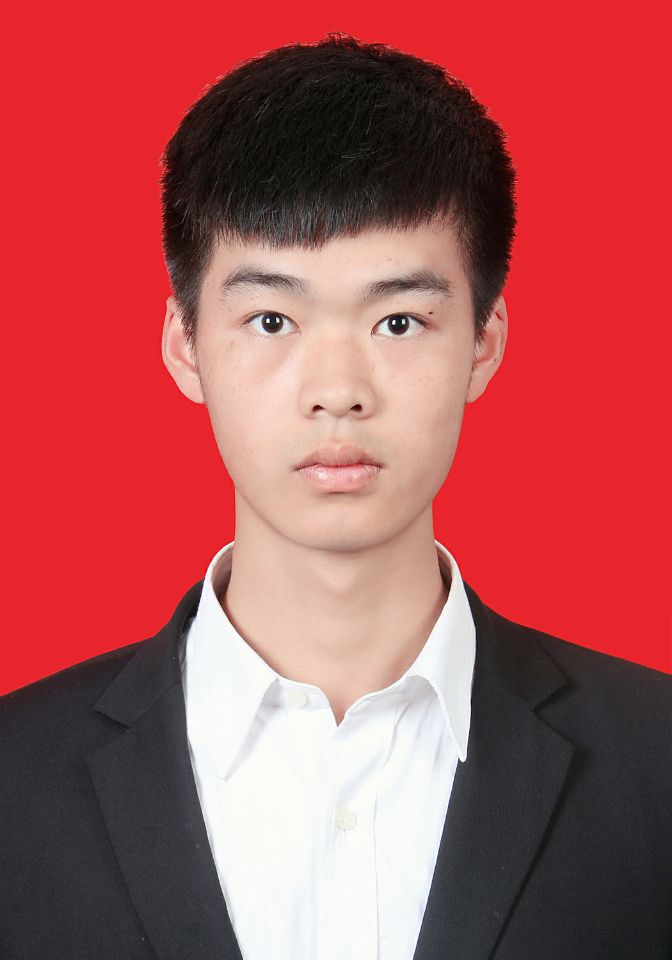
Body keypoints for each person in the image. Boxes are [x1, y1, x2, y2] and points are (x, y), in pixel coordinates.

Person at [1, 32, 670, 960]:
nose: (338, 390)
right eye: (272, 318)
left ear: (483, 343)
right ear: (185, 344)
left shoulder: (656, 762)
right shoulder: (14, 779)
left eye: (398, 321)